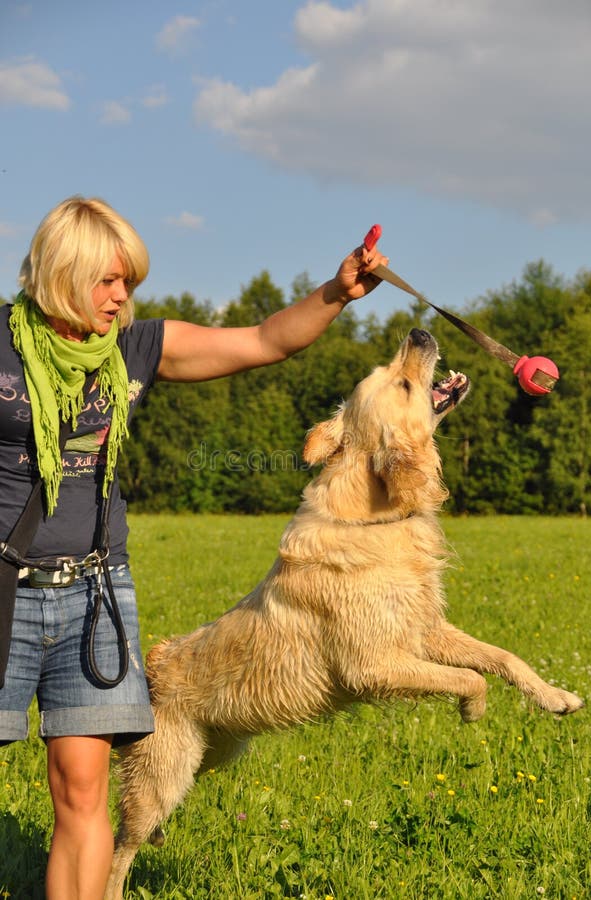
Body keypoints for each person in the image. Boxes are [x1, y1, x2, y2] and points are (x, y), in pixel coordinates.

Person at [0, 195, 386, 899]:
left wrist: (337, 293)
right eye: (109, 281)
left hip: (94, 597)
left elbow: (267, 340)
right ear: (61, 272)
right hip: (4, 592)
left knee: (82, 792)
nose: (122, 297)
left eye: (130, 283)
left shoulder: (136, 349)